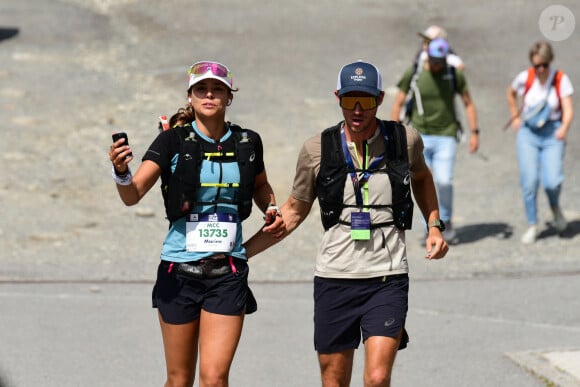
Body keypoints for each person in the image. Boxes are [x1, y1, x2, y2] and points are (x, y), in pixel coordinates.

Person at [245, 60, 448, 387]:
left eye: (366, 100)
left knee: (378, 378)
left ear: (380, 99)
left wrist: (435, 225)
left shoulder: (404, 140)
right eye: (349, 99)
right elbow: (295, 211)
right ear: (337, 97)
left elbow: (422, 178)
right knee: (334, 380)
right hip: (335, 278)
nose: (357, 109)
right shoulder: (316, 149)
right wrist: (241, 254)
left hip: (387, 276)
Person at [109, 60, 284, 387]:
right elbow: (132, 194)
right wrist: (121, 172)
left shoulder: (247, 142)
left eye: (217, 89)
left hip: (227, 273)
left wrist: (270, 206)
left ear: (228, 97)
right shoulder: (171, 142)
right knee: (178, 380)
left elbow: (260, 184)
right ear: (189, 96)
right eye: (201, 89)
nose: (209, 94)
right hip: (179, 272)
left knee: (215, 379)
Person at [391, 37, 480, 243]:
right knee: (421, 182)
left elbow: (468, 103)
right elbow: (398, 102)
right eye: (434, 60)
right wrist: (392, 135)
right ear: (427, 56)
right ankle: (430, 228)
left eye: (441, 61)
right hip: (419, 135)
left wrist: (474, 132)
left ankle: (446, 221)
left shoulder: (453, 74)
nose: (437, 65)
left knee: (444, 180)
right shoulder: (415, 73)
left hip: (446, 135)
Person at [506, 41, 574, 244]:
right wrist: (515, 116)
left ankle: (555, 207)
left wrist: (564, 128)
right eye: (537, 66)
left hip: (553, 132)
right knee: (529, 181)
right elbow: (510, 93)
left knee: (552, 181)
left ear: (549, 61)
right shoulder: (525, 77)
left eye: (544, 64)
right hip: (528, 133)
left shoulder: (560, 79)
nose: (541, 69)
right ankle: (533, 224)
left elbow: (568, 108)